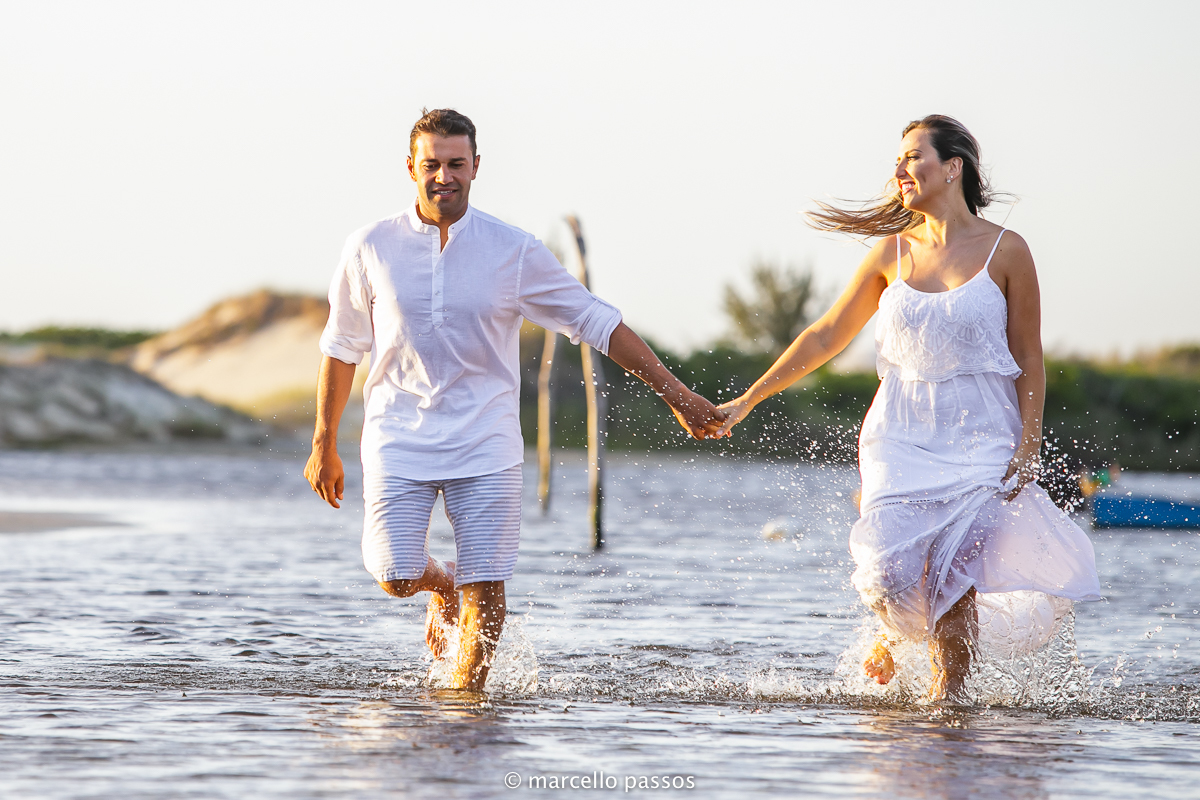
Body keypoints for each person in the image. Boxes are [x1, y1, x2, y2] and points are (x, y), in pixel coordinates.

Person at [305, 108, 725, 692]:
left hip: (487, 439)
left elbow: (594, 321)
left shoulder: (512, 250)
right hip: (397, 435)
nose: (443, 177)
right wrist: (324, 440)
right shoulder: (370, 247)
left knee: (489, 582)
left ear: (476, 166)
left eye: (456, 164)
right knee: (394, 573)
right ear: (410, 168)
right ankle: (442, 586)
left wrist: (676, 393)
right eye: (431, 165)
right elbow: (342, 346)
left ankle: (464, 703)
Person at [714, 115, 1101, 701]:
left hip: (980, 437)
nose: (899, 169)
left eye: (912, 156)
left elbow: (1029, 357)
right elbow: (825, 336)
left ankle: (948, 707)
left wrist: (1028, 445)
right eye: (897, 159)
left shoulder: (1007, 251)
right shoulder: (890, 251)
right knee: (885, 571)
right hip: (898, 435)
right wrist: (749, 398)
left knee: (954, 577)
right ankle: (894, 634)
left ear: (953, 168)